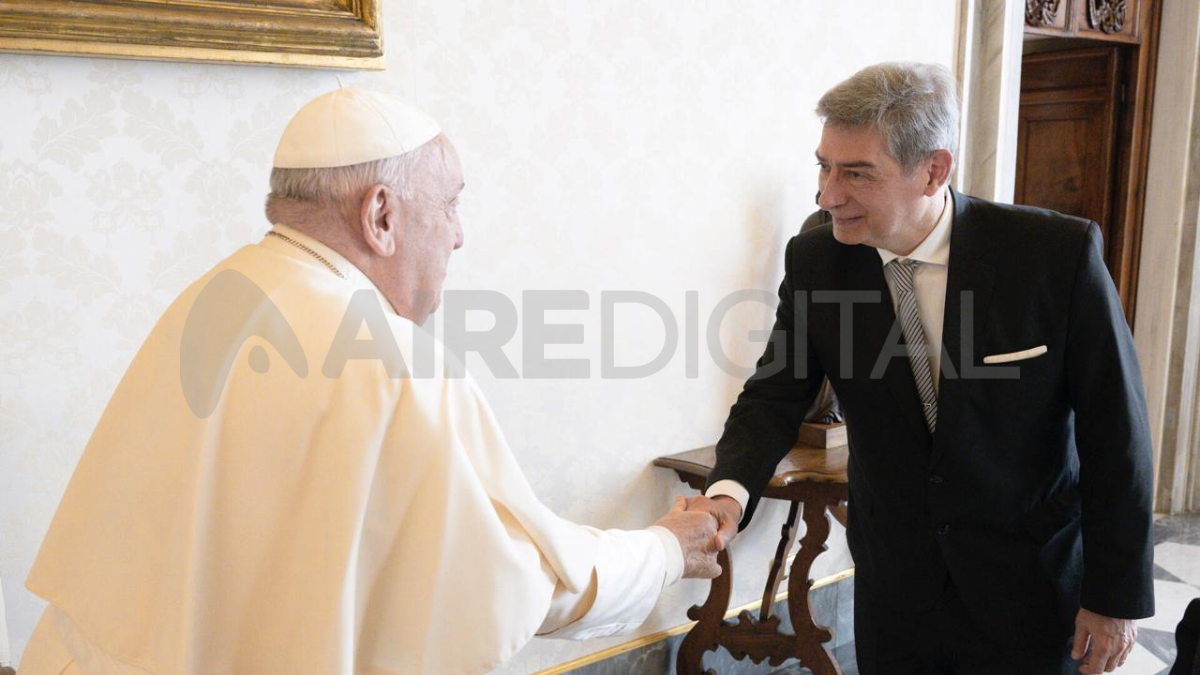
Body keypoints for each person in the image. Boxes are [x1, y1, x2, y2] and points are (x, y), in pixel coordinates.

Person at [18, 88, 720, 675]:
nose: (458, 236)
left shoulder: (216, 292)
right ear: (381, 215)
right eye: (450, 205)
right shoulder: (388, 359)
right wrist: (663, 549)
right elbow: (513, 583)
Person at [688, 62, 1154, 674]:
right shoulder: (817, 261)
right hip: (895, 591)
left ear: (934, 170)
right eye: (824, 167)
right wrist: (725, 495)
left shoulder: (1054, 257)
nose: (828, 195)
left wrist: (1113, 597)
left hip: (1031, 588)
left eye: (856, 173)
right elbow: (773, 396)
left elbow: (1116, 432)